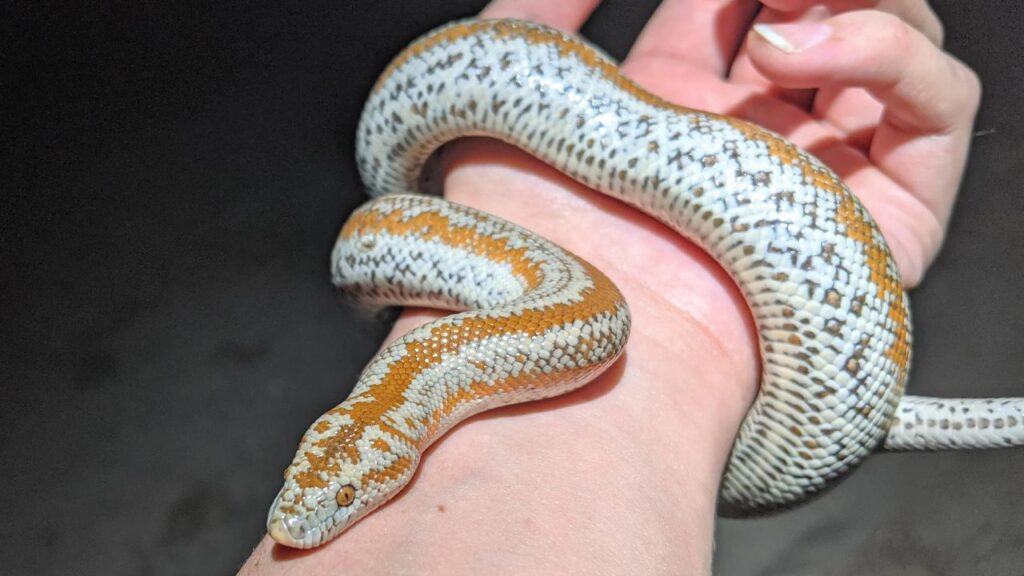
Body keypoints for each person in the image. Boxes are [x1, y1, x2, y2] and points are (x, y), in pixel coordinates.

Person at [239, 0, 980, 573]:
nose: (294, 520)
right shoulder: (427, 393)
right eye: (333, 491)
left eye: (340, 495)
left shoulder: (436, 355)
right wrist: (642, 426)